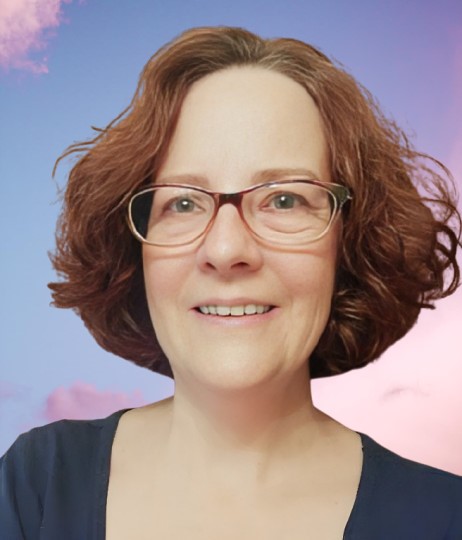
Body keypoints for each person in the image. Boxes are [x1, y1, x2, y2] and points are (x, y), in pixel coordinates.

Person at [1, 26, 461, 540]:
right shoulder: (36, 486)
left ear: (349, 244)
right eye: (182, 202)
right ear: (135, 253)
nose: (225, 251)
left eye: (284, 200)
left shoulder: (445, 519)